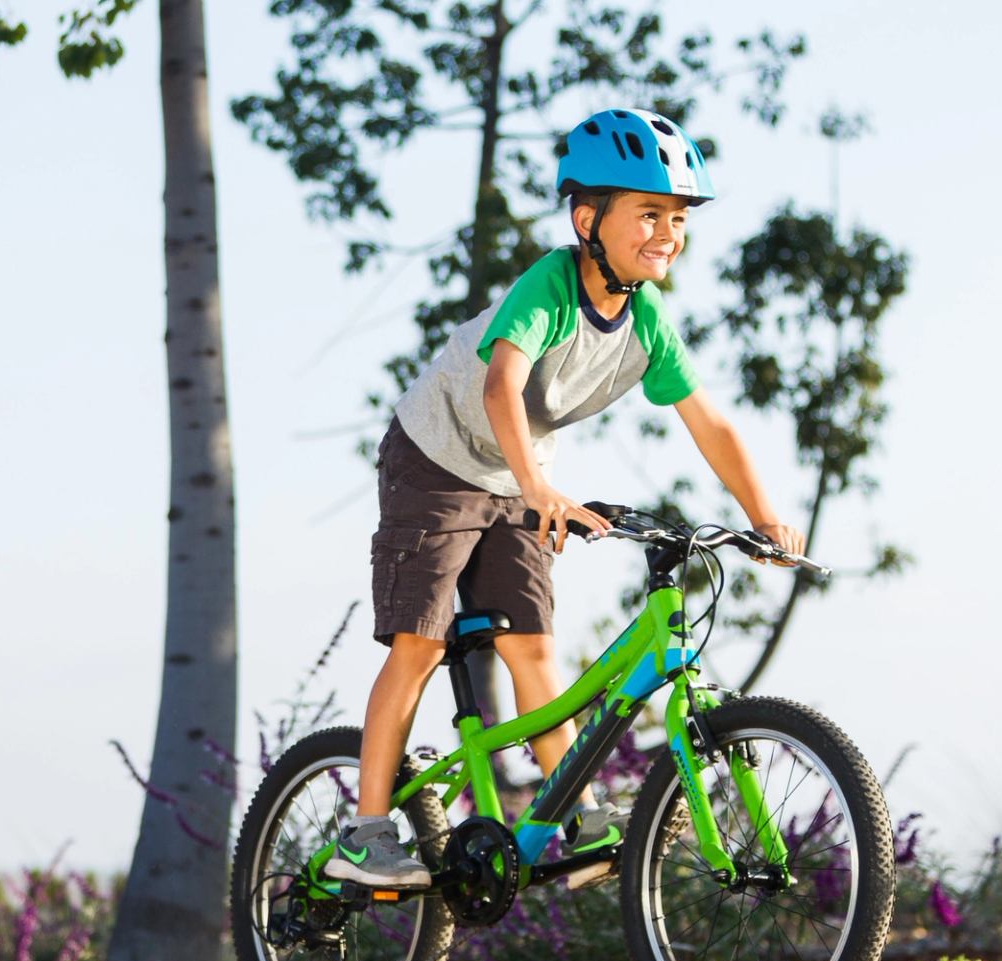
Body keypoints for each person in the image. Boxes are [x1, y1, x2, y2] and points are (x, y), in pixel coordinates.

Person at [328, 107, 807, 889]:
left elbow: (708, 421)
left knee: (532, 645)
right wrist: (538, 485)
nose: (667, 233)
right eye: (649, 214)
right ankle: (367, 832)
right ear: (588, 219)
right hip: (436, 461)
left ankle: (570, 809)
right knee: (419, 641)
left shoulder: (646, 320)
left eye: (678, 219)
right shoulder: (549, 287)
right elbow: (501, 383)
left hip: (520, 474)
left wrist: (762, 517)